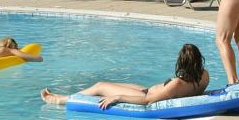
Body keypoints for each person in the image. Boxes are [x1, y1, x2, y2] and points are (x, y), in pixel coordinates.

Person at [40, 44, 209, 109]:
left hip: (145, 95)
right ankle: (65, 97)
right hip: (146, 90)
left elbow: (148, 101)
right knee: (113, 84)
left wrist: (118, 97)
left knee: (100, 86)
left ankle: (61, 100)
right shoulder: (204, 75)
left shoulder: (178, 83)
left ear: (181, 62)